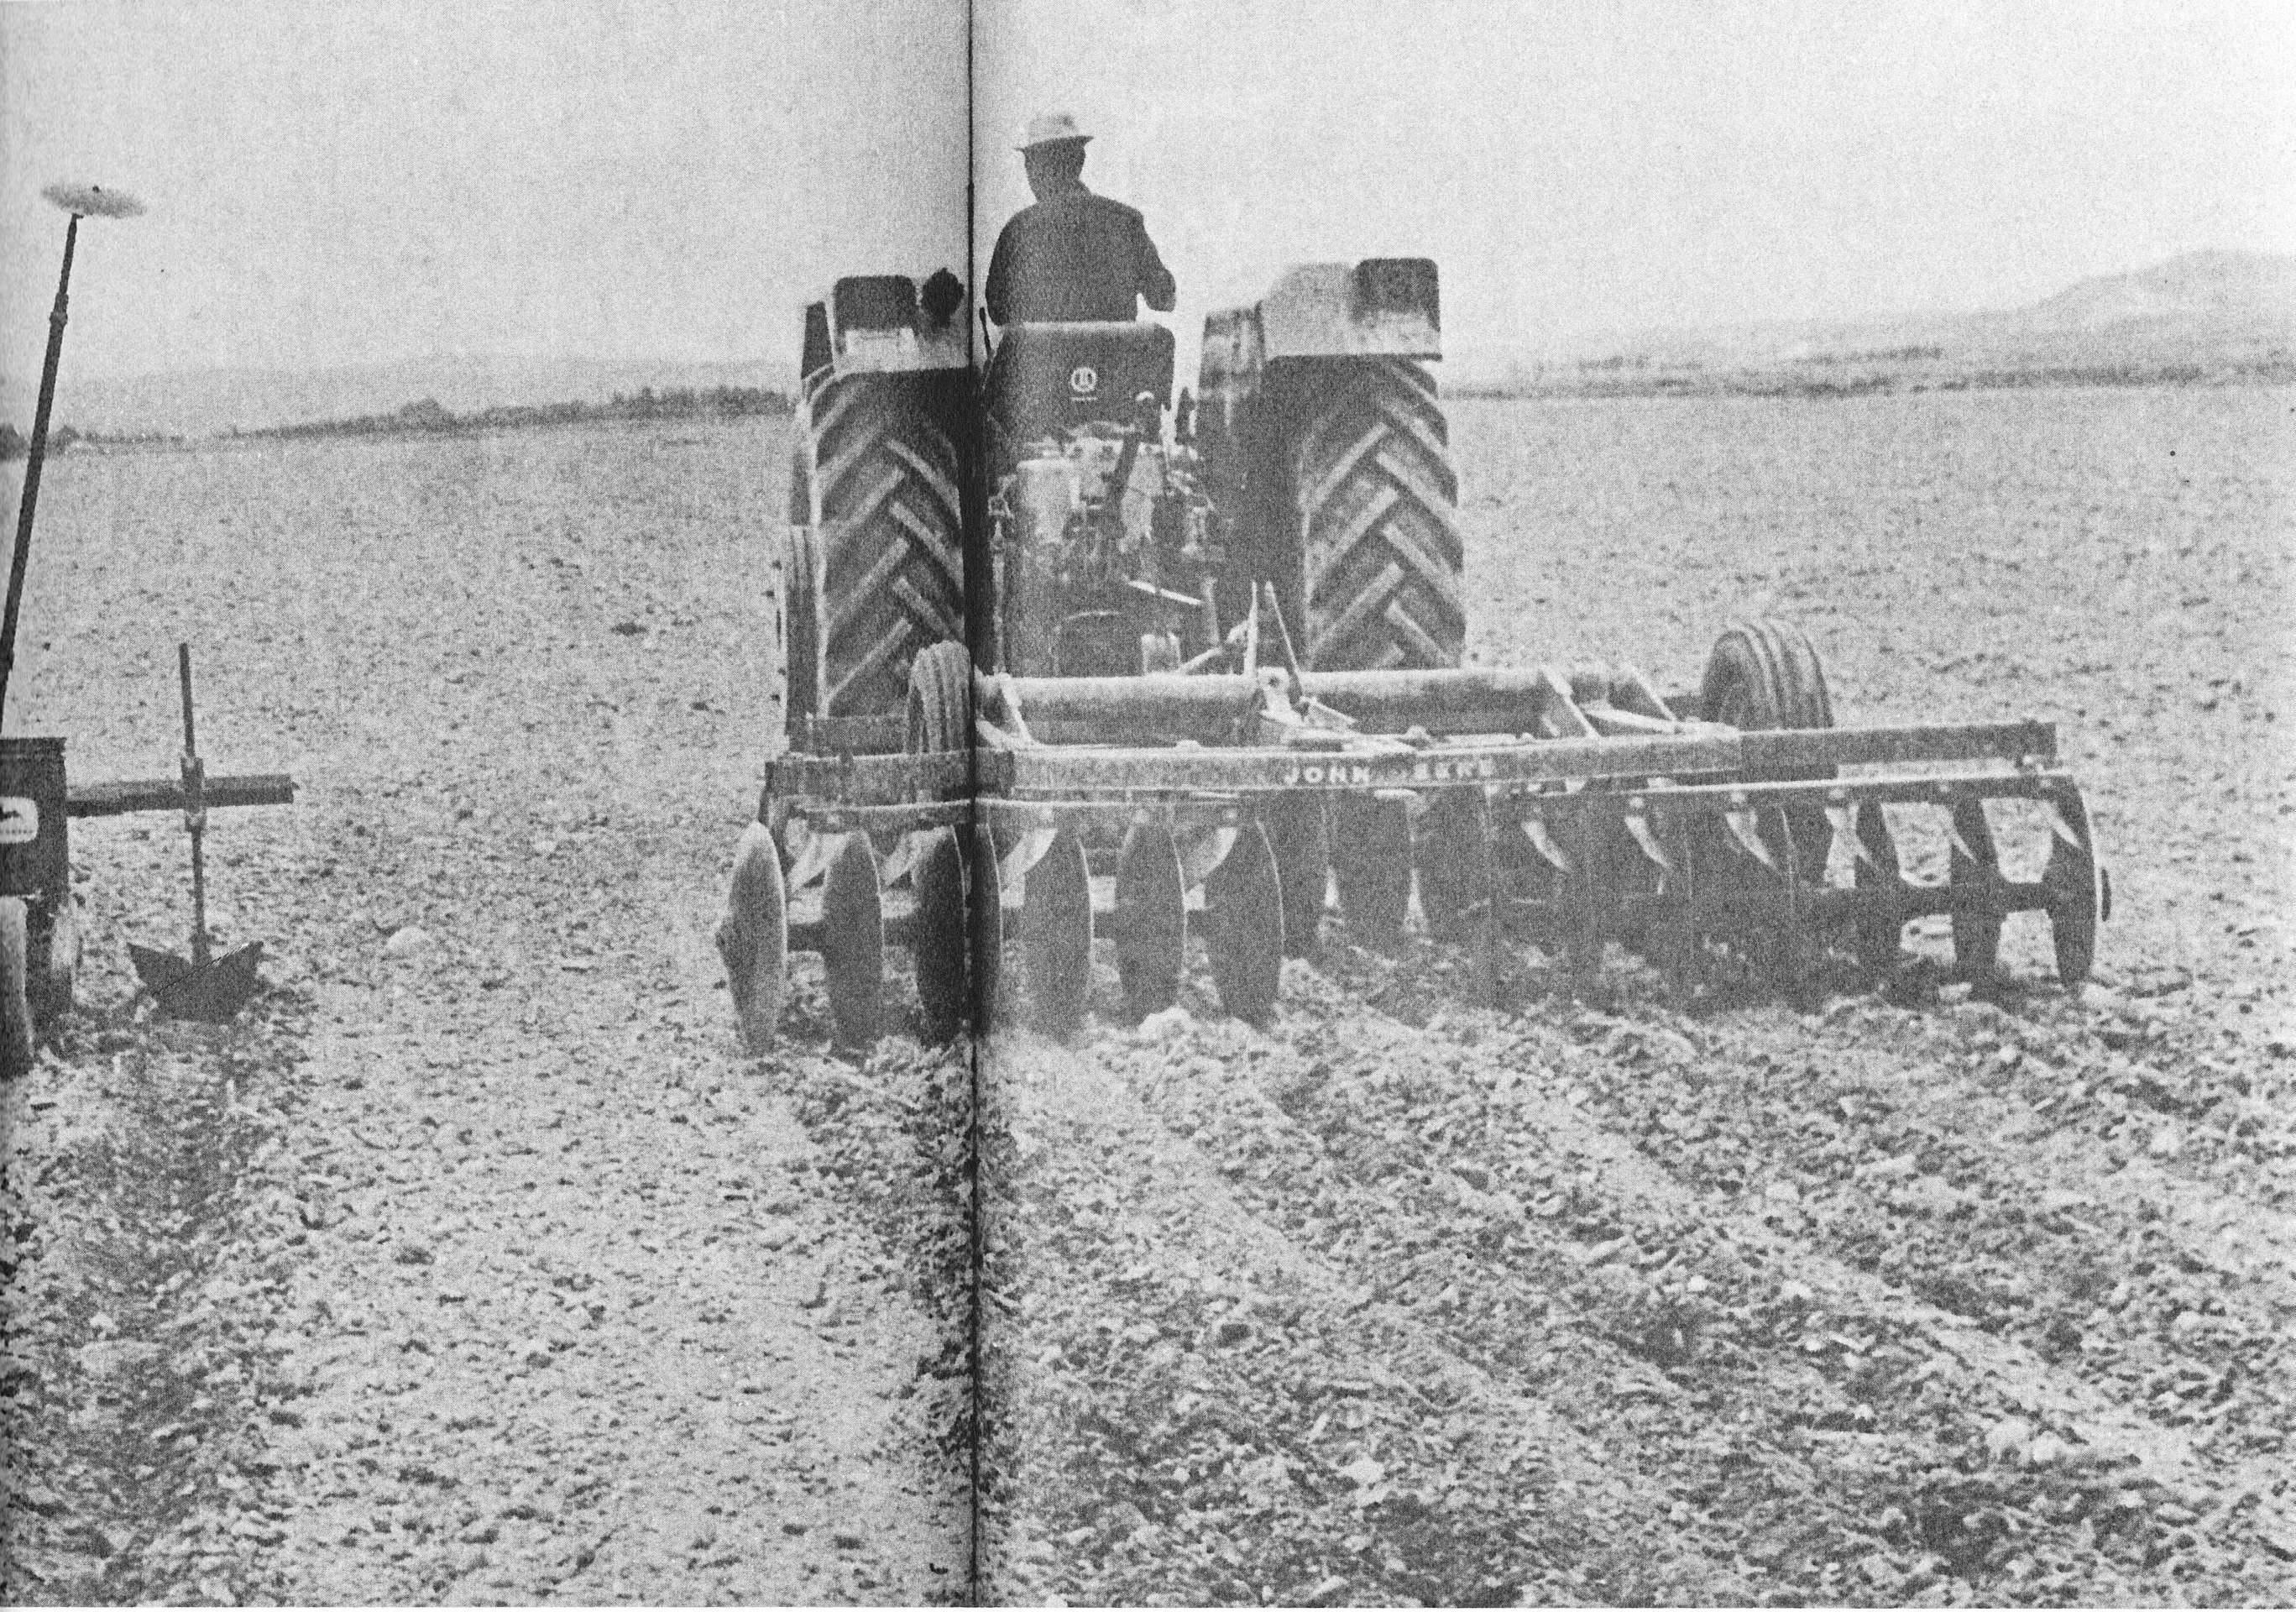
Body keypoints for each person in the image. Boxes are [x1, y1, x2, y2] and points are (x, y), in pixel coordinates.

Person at [983, 113, 1176, 327]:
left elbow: (998, 312)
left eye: (1029, 165)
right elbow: (1162, 298)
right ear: (1080, 160)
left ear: (1034, 168)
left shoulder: (1017, 229)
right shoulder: (1126, 221)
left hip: (1046, 358)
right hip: (1115, 357)